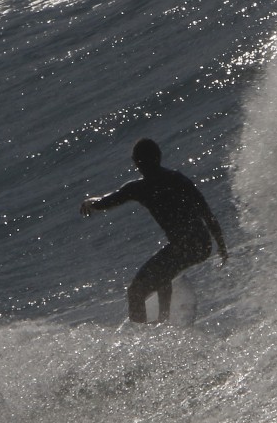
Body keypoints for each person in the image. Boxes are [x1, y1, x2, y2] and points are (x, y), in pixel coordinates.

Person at [80, 138, 228, 323]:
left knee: (136, 291)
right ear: (158, 157)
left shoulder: (140, 188)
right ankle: (163, 320)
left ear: (136, 163)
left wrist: (88, 202)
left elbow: (104, 202)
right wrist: (220, 244)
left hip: (184, 247)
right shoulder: (177, 179)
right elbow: (207, 214)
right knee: (163, 271)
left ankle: (143, 334)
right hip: (201, 245)